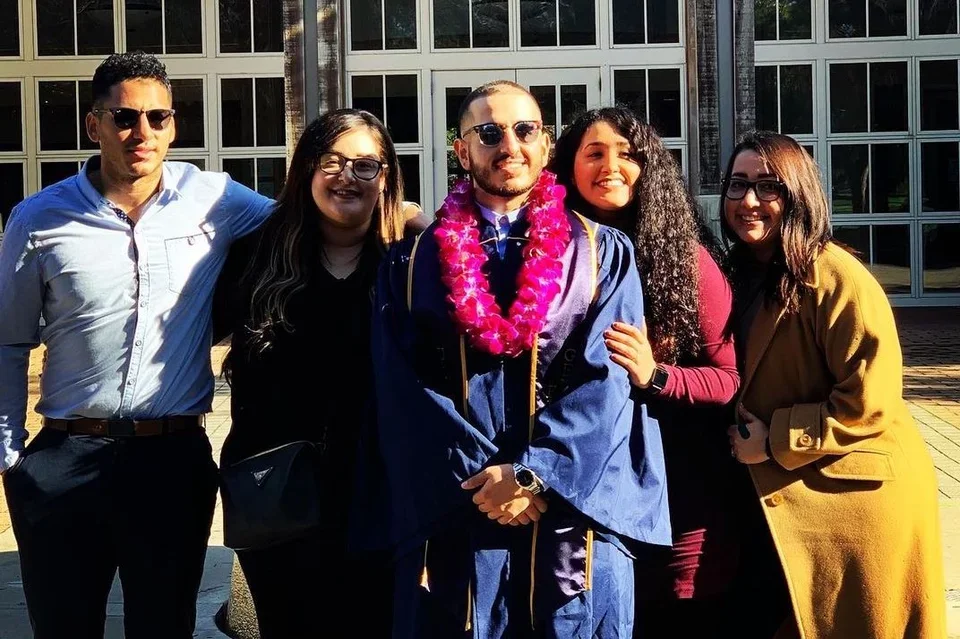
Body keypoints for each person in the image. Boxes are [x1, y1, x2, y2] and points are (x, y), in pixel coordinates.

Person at [364, 80, 672, 638]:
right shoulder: (410, 265)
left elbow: (606, 381)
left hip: (571, 512)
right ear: (462, 151)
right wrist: (486, 480)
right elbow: (403, 387)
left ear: (546, 143)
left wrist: (534, 474)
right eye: (488, 132)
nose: (509, 145)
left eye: (524, 129)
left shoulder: (603, 253)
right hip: (457, 506)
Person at [0, 52, 274, 638]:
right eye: (124, 117)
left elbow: (311, 218)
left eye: (158, 117)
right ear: (93, 124)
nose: (141, 133)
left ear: (174, 124)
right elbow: (8, 340)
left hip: (171, 462)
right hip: (64, 458)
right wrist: (10, 456)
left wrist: (403, 214)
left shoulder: (215, 199)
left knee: (165, 626)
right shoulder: (38, 218)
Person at [723, 131, 947, 638]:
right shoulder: (743, 273)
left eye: (768, 186)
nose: (750, 201)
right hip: (785, 494)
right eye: (738, 185)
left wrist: (776, 439)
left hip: (854, 501)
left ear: (799, 193)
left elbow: (870, 400)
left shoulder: (835, 276)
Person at [211, 108, 408, 638]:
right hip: (277, 493)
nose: (347, 176)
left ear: (386, 177)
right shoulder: (257, 254)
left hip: (378, 492)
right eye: (332, 161)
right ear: (306, 170)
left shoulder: (409, 262)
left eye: (366, 165)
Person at [551, 107, 742, 636]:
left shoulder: (684, 259)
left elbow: (728, 377)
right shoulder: (554, 255)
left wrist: (656, 375)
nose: (611, 165)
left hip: (680, 496)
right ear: (569, 166)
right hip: (590, 494)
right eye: (594, 152)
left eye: (627, 154)